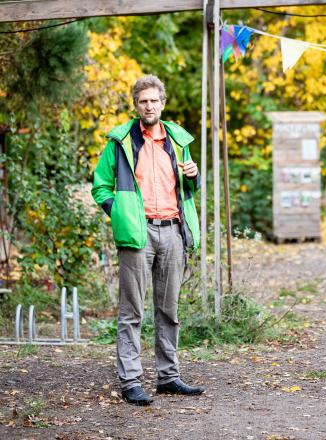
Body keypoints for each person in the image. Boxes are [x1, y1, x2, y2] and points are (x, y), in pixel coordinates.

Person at [91, 75, 203, 405]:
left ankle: (168, 376)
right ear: (136, 105)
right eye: (143, 101)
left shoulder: (178, 142)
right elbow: (100, 186)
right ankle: (131, 381)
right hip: (137, 234)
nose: (149, 106)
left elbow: (186, 191)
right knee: (132, 311)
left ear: (162, 104)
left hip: (172, 231)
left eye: (154, 100)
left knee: (169, 310)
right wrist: (122, 215)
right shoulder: (121, 142)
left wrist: (194, 179)